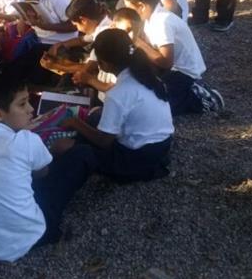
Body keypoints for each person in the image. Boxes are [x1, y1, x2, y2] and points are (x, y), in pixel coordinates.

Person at [0, 75, 95, 261]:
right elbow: (42, 173)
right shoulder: (26, 141)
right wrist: (29, 139)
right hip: (31, 237)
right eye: (23, 104)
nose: (31, 109)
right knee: (82, 154)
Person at [62, 29, 174, 182]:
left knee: (69, 147)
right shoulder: (147, 76)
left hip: (137, 157)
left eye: (99, 61)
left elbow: (103, 141)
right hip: (163, 145)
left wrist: (75, 123)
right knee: (96, 115)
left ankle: (137, 172)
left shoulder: (118, 93)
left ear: (105, 64)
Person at [121, 0, 223, 116]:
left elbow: (166, 61)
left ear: (142, 6)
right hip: (168, 70)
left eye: (131, 9)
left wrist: (136, 41)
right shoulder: (150, 19)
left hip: (182, 72)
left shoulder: (162, 22)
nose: (130, 14)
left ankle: (200, 97)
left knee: (160, 108)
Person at [6, 0, 79, 87]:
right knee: (16, 64)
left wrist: (46, 26)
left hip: (60, 44)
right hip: (38, 40)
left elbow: (75, 26)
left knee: (32, 74)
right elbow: (22, 31)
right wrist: (23, 19)